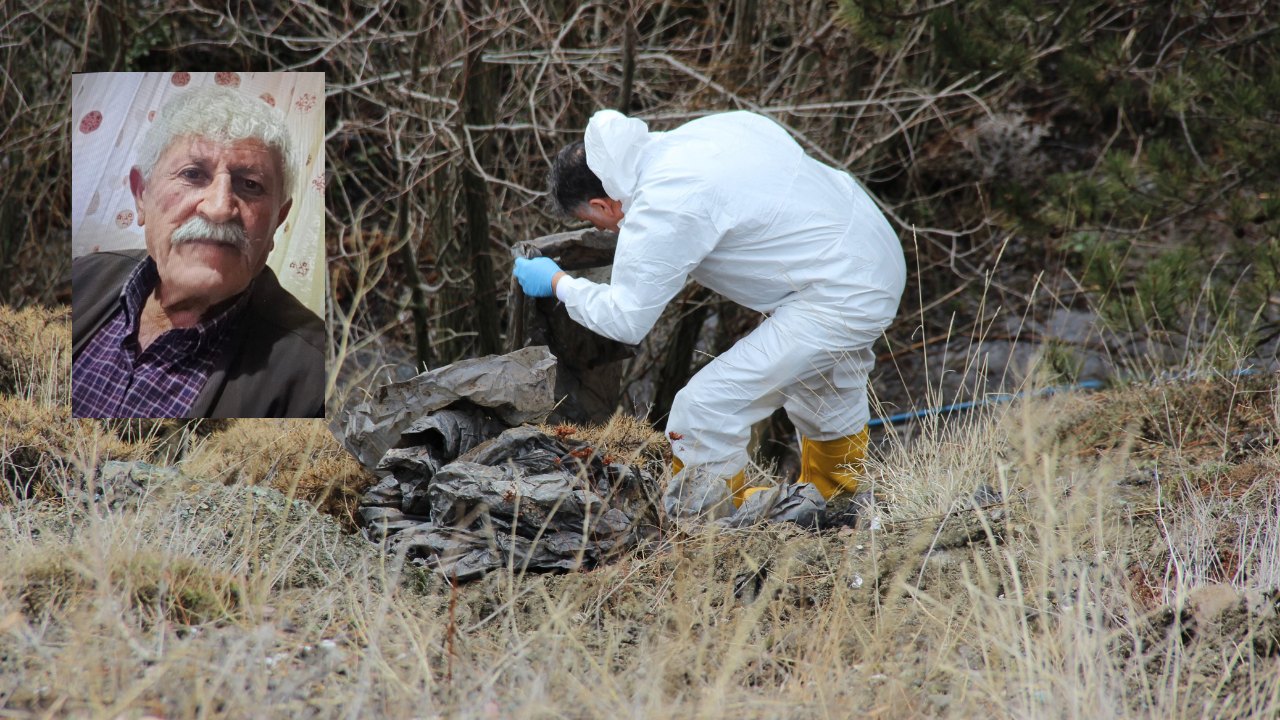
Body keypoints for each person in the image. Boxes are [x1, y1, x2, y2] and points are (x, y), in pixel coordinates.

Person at [515, 109, 905, 507]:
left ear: (601, 204)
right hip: (868, 248)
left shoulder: (664, 203)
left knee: (703, 411)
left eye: (595, 222)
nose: (603, 231)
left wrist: (557, 283)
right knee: (824, 388)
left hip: (841, 287)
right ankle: (839, 503)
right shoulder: (692, 140)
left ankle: (712, 529)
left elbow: (626, 318)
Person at [72, 87, 325, 418]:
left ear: (278, 220)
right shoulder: (81, 277)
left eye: (250, 184)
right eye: (192, 175)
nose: (219, 209)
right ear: (141, 195)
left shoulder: (316, 374)